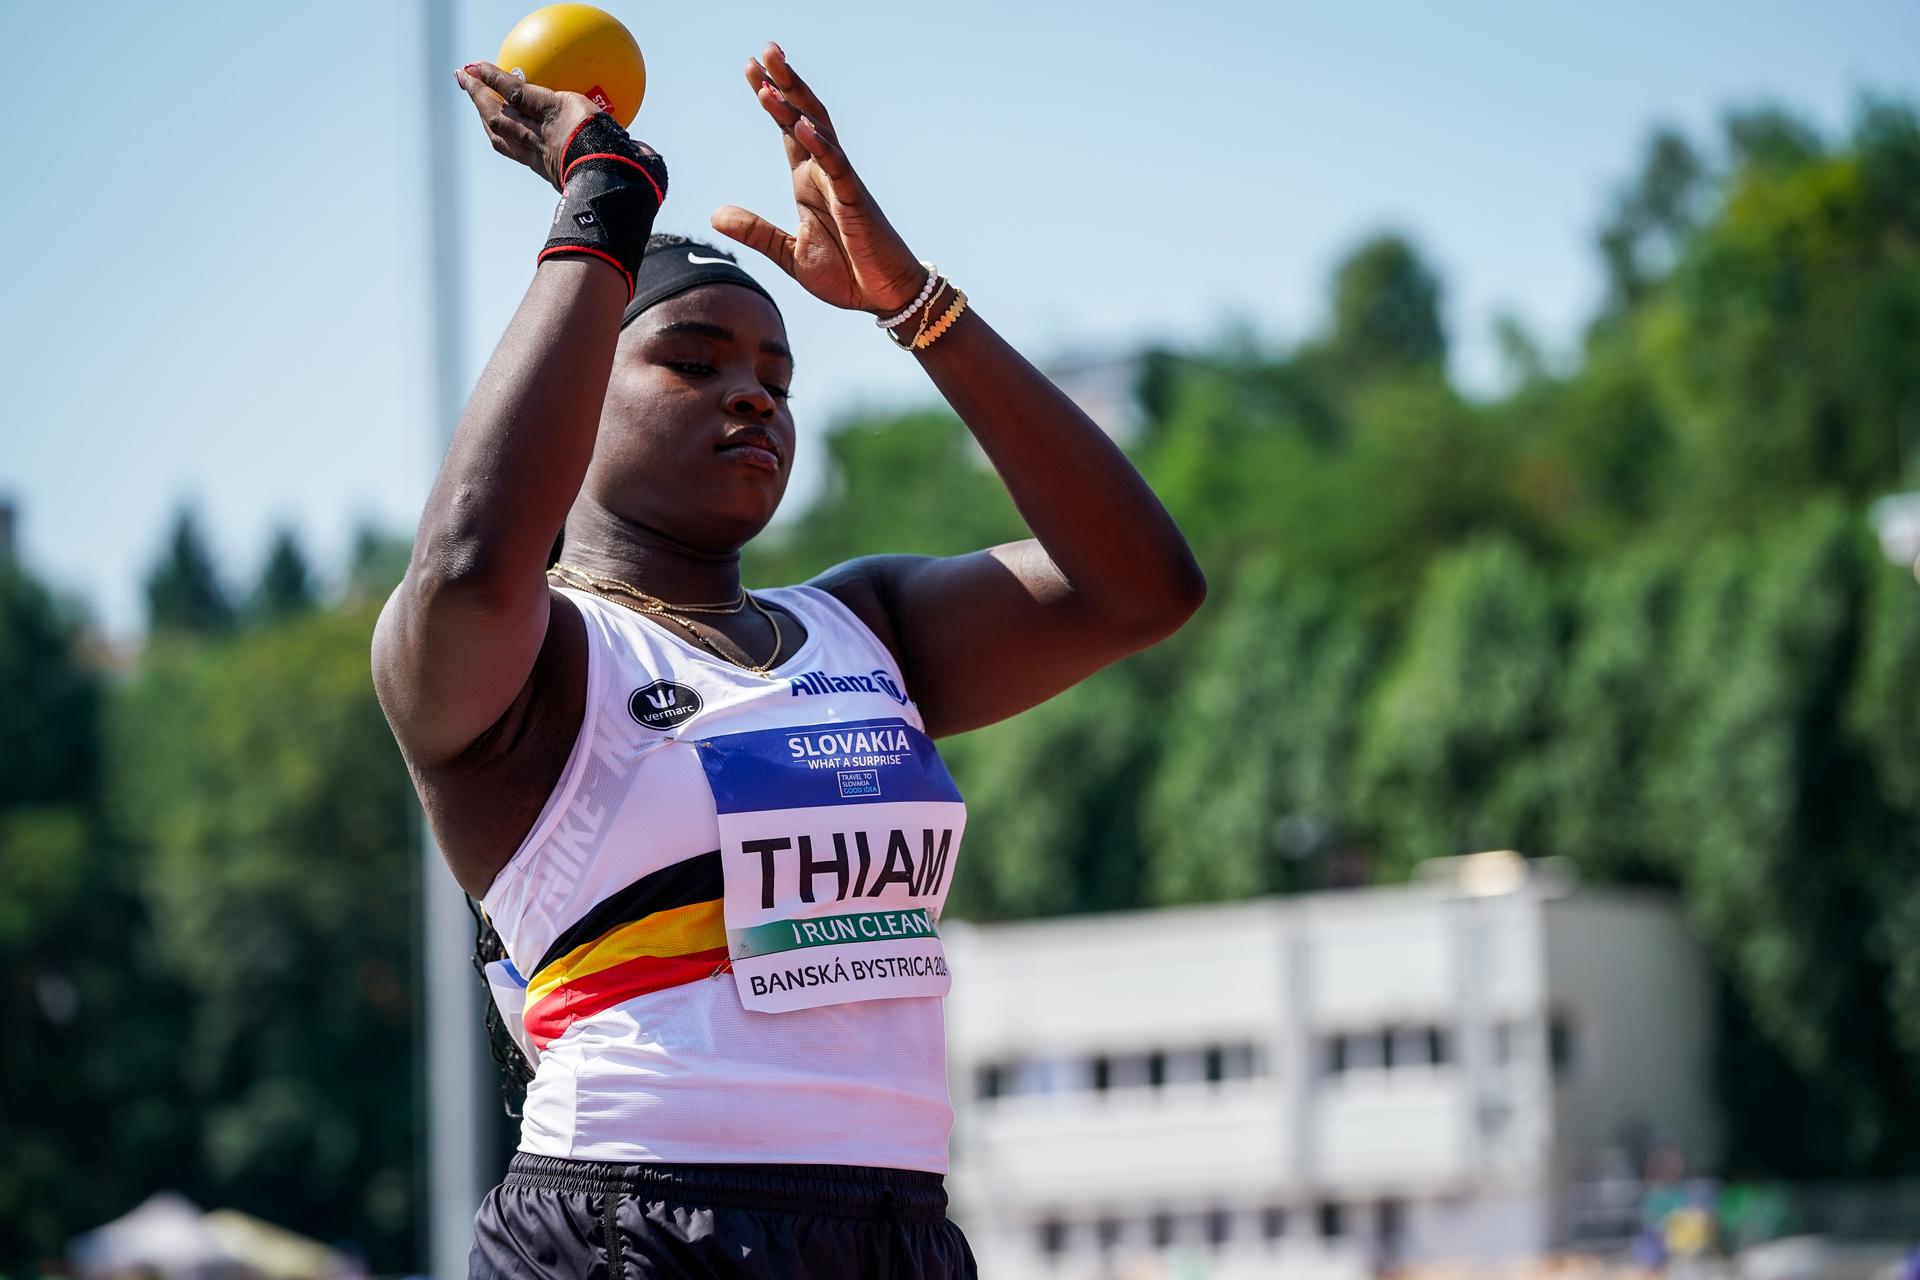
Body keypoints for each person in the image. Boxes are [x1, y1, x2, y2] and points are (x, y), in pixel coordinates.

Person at [373, 42, 1204, 1279]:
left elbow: (1145, 585)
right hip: (636, 1221)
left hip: (895, 1227)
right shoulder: (536, 653)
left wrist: (918, 304)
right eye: (694, 362)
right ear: (572, 392)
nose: (755, 396)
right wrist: (600, 194)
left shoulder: (867, 626)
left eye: (778, 373)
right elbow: (462, 563)